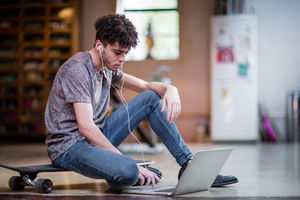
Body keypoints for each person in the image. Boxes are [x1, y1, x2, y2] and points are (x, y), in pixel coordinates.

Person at [45, 13, 238, 190]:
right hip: (69, 147)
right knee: (129, 169)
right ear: (99, 45)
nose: (122, 59)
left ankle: (187, 164)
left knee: (151, 99)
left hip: (95, 137)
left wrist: (172, 89)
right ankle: (125, 170)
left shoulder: (108, 67)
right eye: (117, 52)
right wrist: (121, 160)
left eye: (125, 54)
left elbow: (147, 87)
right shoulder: (78, 69)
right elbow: (86, 127)